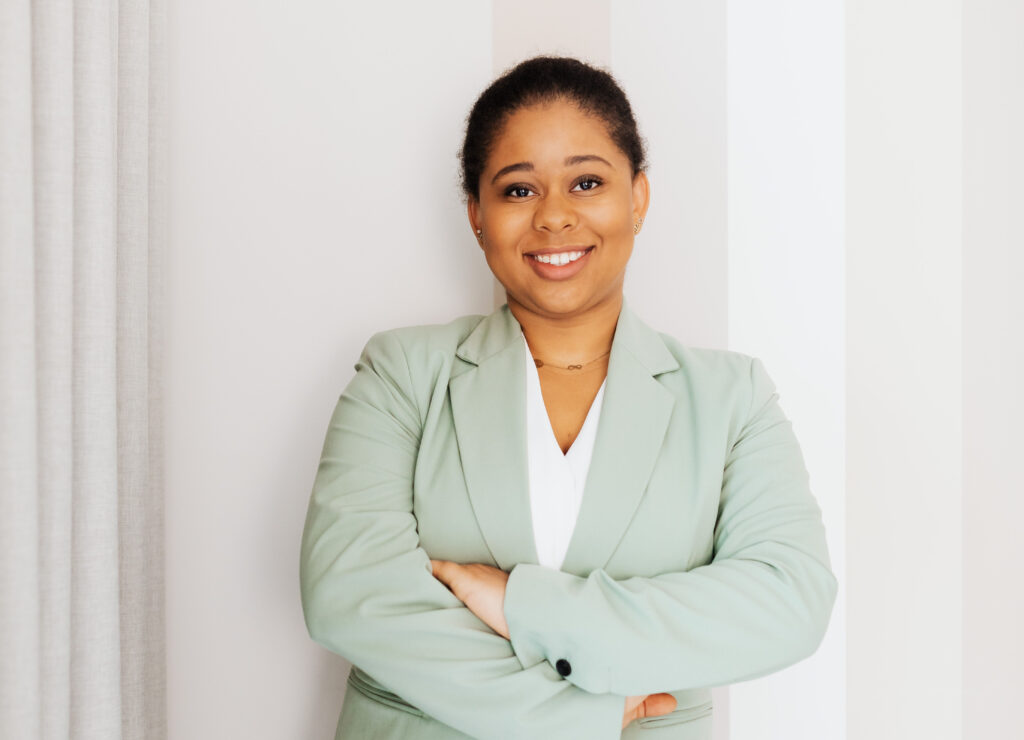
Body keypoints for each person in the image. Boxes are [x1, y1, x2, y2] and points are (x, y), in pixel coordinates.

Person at [299, 55, 837, 740]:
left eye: (587, 182)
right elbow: (347, 594)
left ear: (638, 198)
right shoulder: (403, 373)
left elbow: (788, 603)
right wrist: (573, 713)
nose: (554, 218)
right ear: (476, 214)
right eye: (518, 190)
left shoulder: (731, 398)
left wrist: (521, 602)